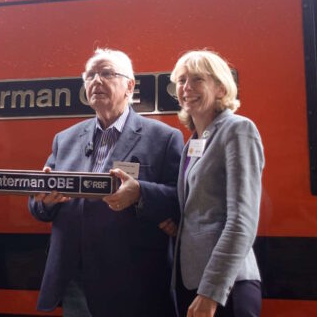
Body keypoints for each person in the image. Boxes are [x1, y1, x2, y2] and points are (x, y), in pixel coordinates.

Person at [28, 48, 184, 317]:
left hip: (133, 282)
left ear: (130, 86)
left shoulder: (164, 138)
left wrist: (140, 193)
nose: (96, 81)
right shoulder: (65, 139)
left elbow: (179, 200)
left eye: (107, 73)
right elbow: (39, 204)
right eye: (90, 75)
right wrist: (44, 201)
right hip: (75, 279)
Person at [170, 50, 264, 317]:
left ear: (221, 88)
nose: (186, 88)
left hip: (225, 288)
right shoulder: (193, 143)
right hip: (192, 281)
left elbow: (241, 222)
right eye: (181, 80)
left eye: (197, 79)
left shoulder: (238, 129)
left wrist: (210, 293)